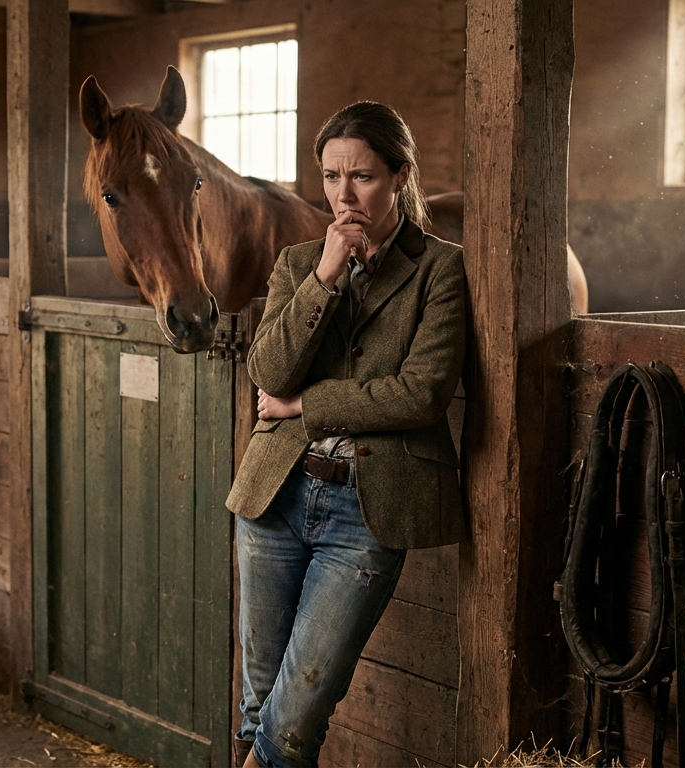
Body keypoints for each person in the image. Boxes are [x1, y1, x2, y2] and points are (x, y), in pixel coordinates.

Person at [225, 101, 468, 768]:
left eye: (360, 176)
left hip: (366, 510)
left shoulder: (441, 270)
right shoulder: (299, 263)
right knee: (259, 707)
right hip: (275, 498)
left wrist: (302, 405)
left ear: (400, 175)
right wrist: (325, 277)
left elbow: (419, 394)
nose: (343, 193)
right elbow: (266, 369)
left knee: (296, 715)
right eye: (331, 176)